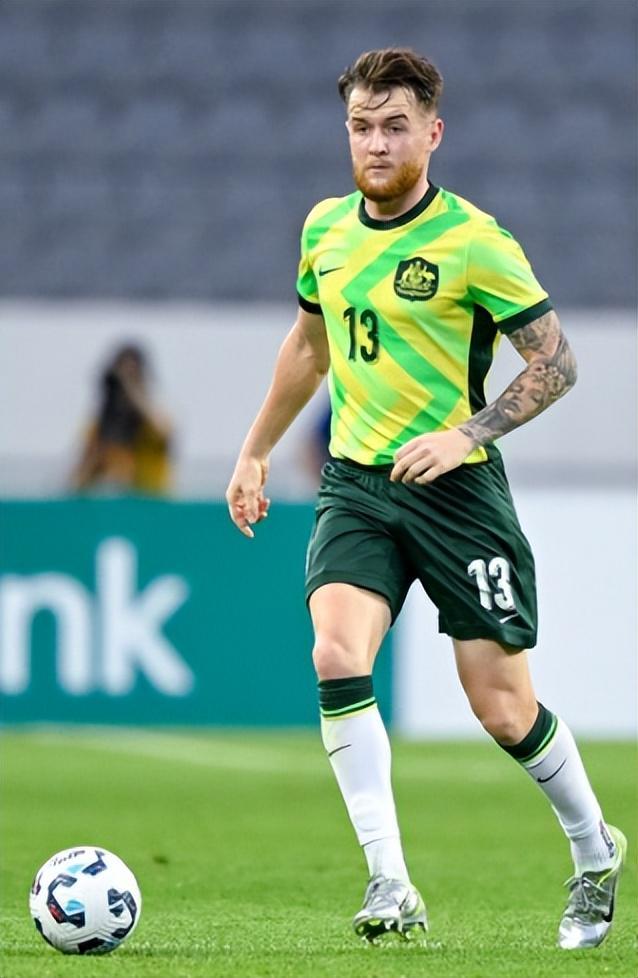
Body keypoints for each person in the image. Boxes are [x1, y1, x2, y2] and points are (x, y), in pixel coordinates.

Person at [225, 48, 626, 949]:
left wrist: (467, 434)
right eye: (361, 126)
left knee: (502, 709)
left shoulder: (475, 240)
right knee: (336, 653)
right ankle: (390, 880)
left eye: (395, 126)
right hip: (358, 484)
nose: (376, 143)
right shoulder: (325, 230)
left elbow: (556, 362)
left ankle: (593, 848)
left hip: (458, 493)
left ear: (433, 134)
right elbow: (308, 347)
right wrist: (254, 452)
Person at [70, 343, 173, 496]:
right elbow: (76, 485)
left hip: (152, 501)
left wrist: (132, 392)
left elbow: (164, 431)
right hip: (119, 503)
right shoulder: (99, 430)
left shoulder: (154, 424)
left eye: (133, 377)